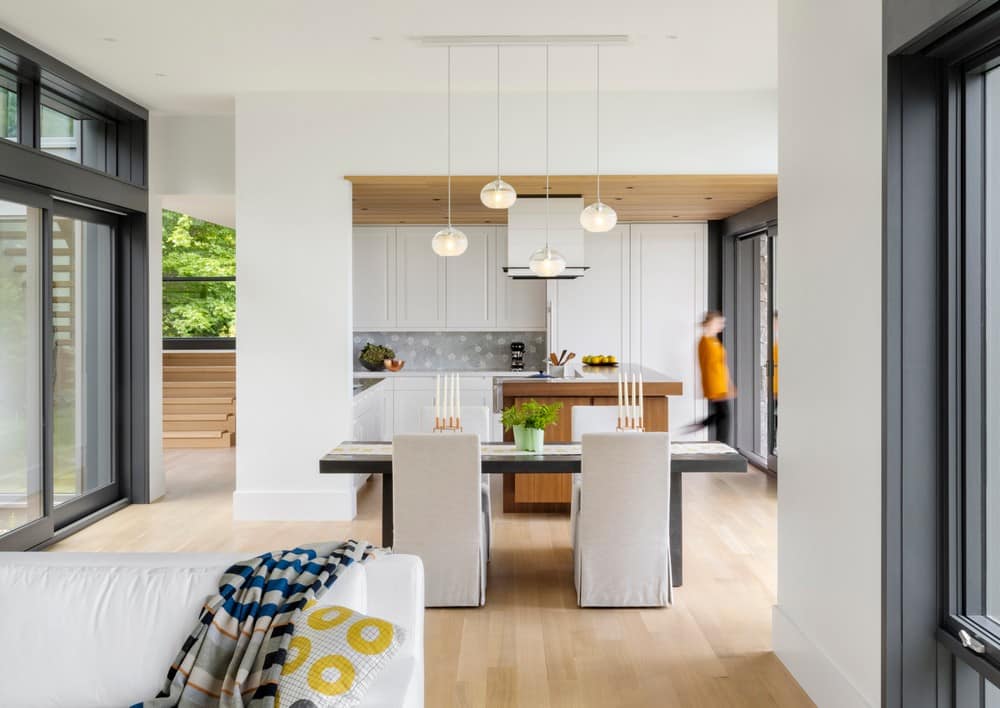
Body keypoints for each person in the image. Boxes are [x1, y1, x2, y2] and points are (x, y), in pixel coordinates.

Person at [685, 311, 734, 444]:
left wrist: (729, 383)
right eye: (719, 322)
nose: (721, 326)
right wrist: (708, 386)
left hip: (720, 383)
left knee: (722, 415)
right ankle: (722, 445)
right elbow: (704, 366)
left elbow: (723, 364)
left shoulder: (714, 341)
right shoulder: (704, 342)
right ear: (710, 322)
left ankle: (702, 426)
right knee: (724, 415)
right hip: (714, 383)